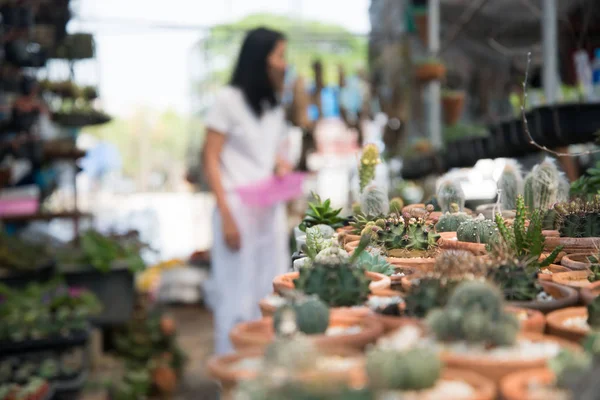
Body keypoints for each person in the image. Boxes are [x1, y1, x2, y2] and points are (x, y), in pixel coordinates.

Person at [202, 27, 292, 355]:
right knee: (234, 297)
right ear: (260, 59)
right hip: (236, 212)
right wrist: (226, 215)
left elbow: (270, 156)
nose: (284, 64)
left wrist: (281, 167)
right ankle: (231, 376)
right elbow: (210, 159)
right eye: (280, 55)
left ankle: (263, 376)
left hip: (268, 212)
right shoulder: (227, 101)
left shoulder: (273, 107)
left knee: (269, 292)